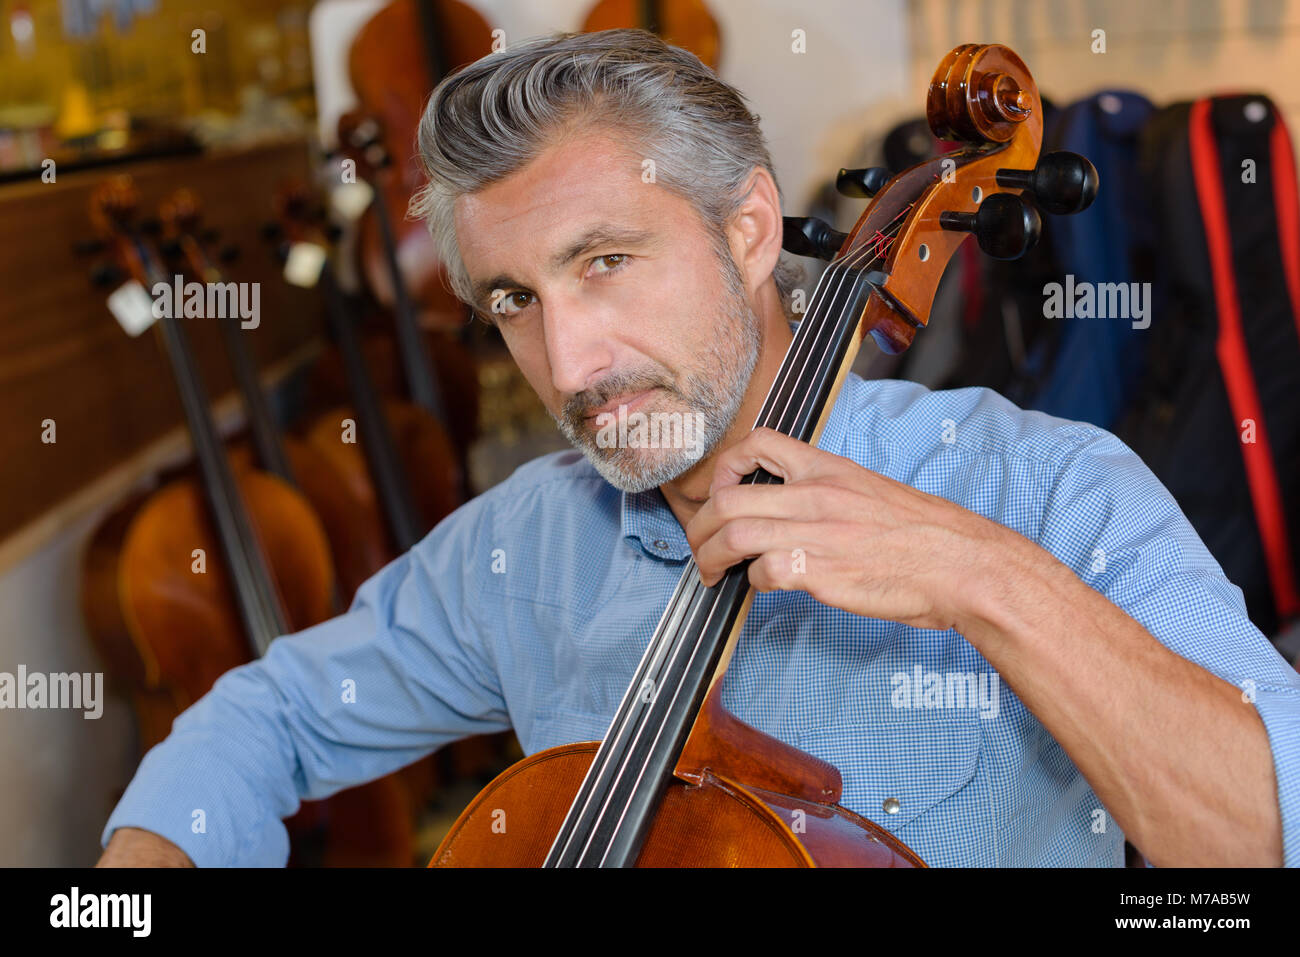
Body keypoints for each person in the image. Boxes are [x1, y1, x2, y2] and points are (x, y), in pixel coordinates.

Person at [98, 29, 1297, 868]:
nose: (568, 365)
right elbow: (274, 716)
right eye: (514, 299)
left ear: (750, 228)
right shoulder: (527, 544)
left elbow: (1262, 832)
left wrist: (982, 579)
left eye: (604, 262)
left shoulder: (1042, 488)